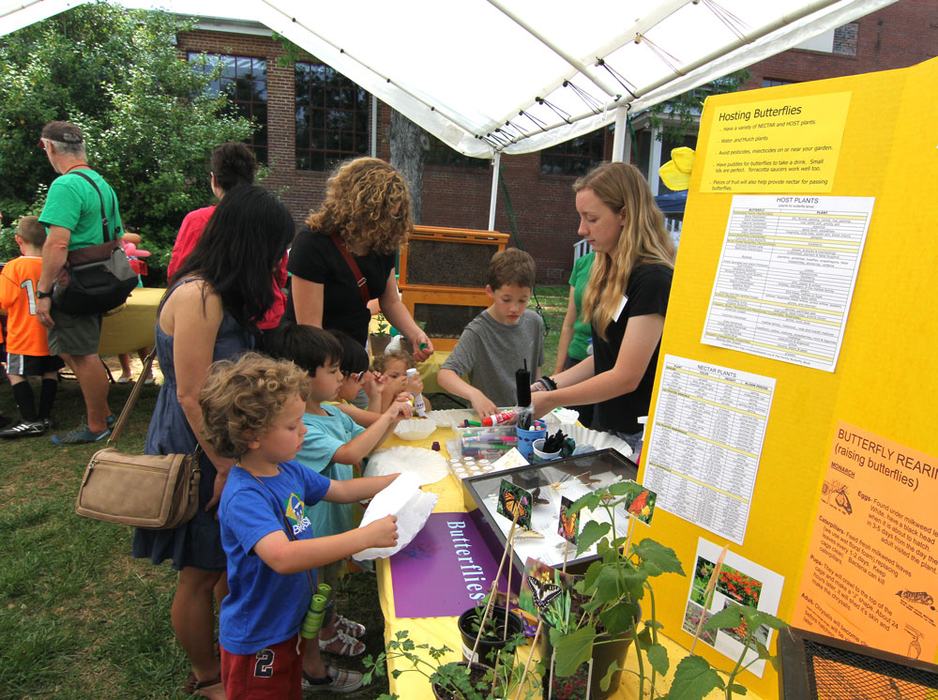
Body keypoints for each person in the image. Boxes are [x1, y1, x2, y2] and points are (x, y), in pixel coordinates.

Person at [132, 185, 295, 699]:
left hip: (223, 444)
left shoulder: (221, 293)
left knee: (227, 562)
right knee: (200, 572)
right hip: (198, 446)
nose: (278, 259)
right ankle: (207, 677)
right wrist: (226, 466)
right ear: (252, 241)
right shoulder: (198, 296)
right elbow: (189, 394)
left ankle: (230, 658)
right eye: (275, 247)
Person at [199, 352, 399, 698]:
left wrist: (402, 480)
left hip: (288, 620)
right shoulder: (246, 496)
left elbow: (340, 489)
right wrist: (363, 537)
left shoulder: (285, 468)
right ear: (252, 435)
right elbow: (282, 556)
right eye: (292, 426)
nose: (304, 431)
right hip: (259, 635)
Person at [265, 324, 410, 666]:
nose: (339, 377)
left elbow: (367, 438)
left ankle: (326, 623)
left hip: (334, 524)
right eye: (332, 371)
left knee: (327, 584)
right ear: (301, 377)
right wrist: (388, 414)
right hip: (315, 532)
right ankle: (317, 643)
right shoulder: (306, 428)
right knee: (314, 591)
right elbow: (349, 453)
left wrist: (392, 417)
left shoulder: (333, 410)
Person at [531, 162, 675, 454]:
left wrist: (553, 399)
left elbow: (626, 375)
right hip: (607, 425)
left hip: (638, 436)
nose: (581, 229)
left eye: (591, 219)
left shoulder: (653, 279)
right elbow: (606, 356)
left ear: (625, 215)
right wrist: (549, 384)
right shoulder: (608, 270)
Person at [285, 157, 433, 361]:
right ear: (358, 208)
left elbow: (390, 301)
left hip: (353, 353)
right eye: (383, 216)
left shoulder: (382, 244)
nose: (389, 223)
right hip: (317, 360)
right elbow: (311, 330)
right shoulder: (312, 244)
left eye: (395, 216)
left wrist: (415, 334)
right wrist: (338, 374)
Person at [34, 121, 116, 444]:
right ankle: (103, 412)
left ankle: (97, 425)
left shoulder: (65, 186)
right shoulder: (100, 183)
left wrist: (42, 292)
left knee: (82, 355)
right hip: (98, 282)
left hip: (74, 285)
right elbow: (118, 237)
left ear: (50, 148)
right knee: (80, 352)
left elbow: (56, 245)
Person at [167, 142, 289, 334]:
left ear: (214, 180)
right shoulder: (267, 217)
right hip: (265, 317)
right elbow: (280, 274)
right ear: (251, 179)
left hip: (211, 320)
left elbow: (178, 273)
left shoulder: (198, 220)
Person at [438, 248, 544, 417]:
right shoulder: (478, 331)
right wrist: (475, 395)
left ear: (530, 293)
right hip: (490, 419)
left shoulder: (534, 323)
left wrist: (540, 393)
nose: (514, 308)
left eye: (523, 300)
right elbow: (445, 375)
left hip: (525, 417)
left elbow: (536, 369)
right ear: (490, 292)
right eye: (506, 299)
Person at [0, 216, 64, 437]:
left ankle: (29, 419)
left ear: (19, 240)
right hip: (51, 333)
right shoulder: (55, 264)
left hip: (22, 335)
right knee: (50, 371)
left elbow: (4, 302)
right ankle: (45, 416)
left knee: (15, 372)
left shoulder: (13, 267)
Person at [553, 249, 595, 427]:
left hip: (607, 366)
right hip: (577, 360)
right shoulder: (583, 263)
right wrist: (558, 370)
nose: (582, 230)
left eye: (593, 219)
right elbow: (569, 324)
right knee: (573, 427)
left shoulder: (637, 270)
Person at [372, 346, 433, 413]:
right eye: (394, 376)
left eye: (406, 376)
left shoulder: (409, 393)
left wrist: (416, 395)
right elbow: (380, 416)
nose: (401, 380)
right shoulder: (377, 394)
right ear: (380, 375)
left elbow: (427, 409)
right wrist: (391, 390)